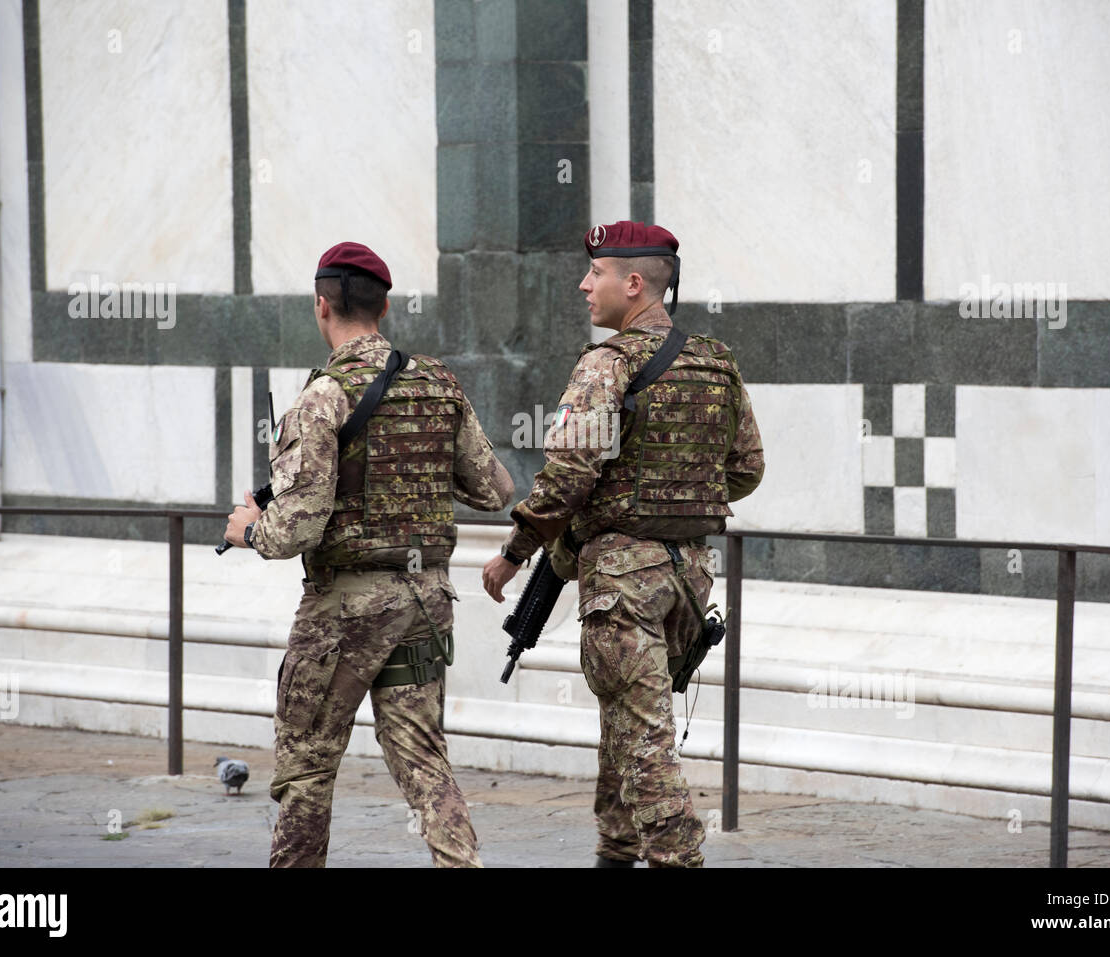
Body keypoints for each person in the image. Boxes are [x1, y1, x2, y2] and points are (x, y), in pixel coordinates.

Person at [481, 220, 765, 867]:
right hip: (689, 576)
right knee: (628, 723)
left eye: (597, 273)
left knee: (644, 742)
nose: (585, 285)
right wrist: (679, 488)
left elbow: (568, 475)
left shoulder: (606, 364)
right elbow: (747, 467)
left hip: (622, 582)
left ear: (633, 282)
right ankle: (616, 850)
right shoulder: (715, 362)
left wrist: (516, 549)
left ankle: (676, 855)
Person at [225, 241, 514, 868]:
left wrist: (249, 529)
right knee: (423, 759)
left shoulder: (322, 397)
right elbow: (495, 489)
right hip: (425, 600)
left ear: (322, 305)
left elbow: (297, 528)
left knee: (306, 765)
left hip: (344, 609)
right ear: (384, 306)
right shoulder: (439, 383)